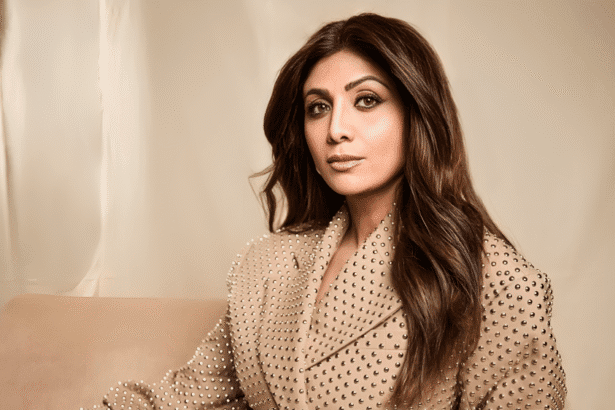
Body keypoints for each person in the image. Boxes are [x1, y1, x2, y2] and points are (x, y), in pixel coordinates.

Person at [87, 13, 566, 410]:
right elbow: (182, 398)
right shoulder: (264, 268)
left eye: (366, 101)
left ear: (416, 114)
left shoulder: (495, 281)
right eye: (318, 108)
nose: (336, 129)